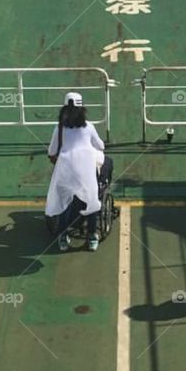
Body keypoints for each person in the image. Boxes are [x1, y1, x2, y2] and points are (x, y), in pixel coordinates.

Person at [46, 92, 105, 252]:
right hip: (86, 169)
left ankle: (63, 237)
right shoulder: (89, 127)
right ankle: (92, 236)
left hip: (66, 168)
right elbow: (101, 146)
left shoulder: (59, 128)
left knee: (64, 202)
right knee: (92, 201)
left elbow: (52, 151)